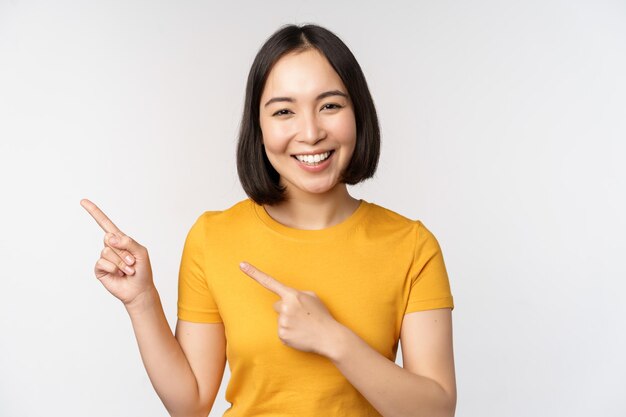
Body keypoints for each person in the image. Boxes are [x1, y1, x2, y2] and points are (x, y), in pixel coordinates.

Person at [81, 24, 456, 417]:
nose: (310, 133)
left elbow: (436, 412)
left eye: (330, 105)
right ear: (259, 128)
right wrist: (142, 301)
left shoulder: (411, 245)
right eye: (283, 111)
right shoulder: (214, 237)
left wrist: (334, 340)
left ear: (358, 112)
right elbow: (189, 405)